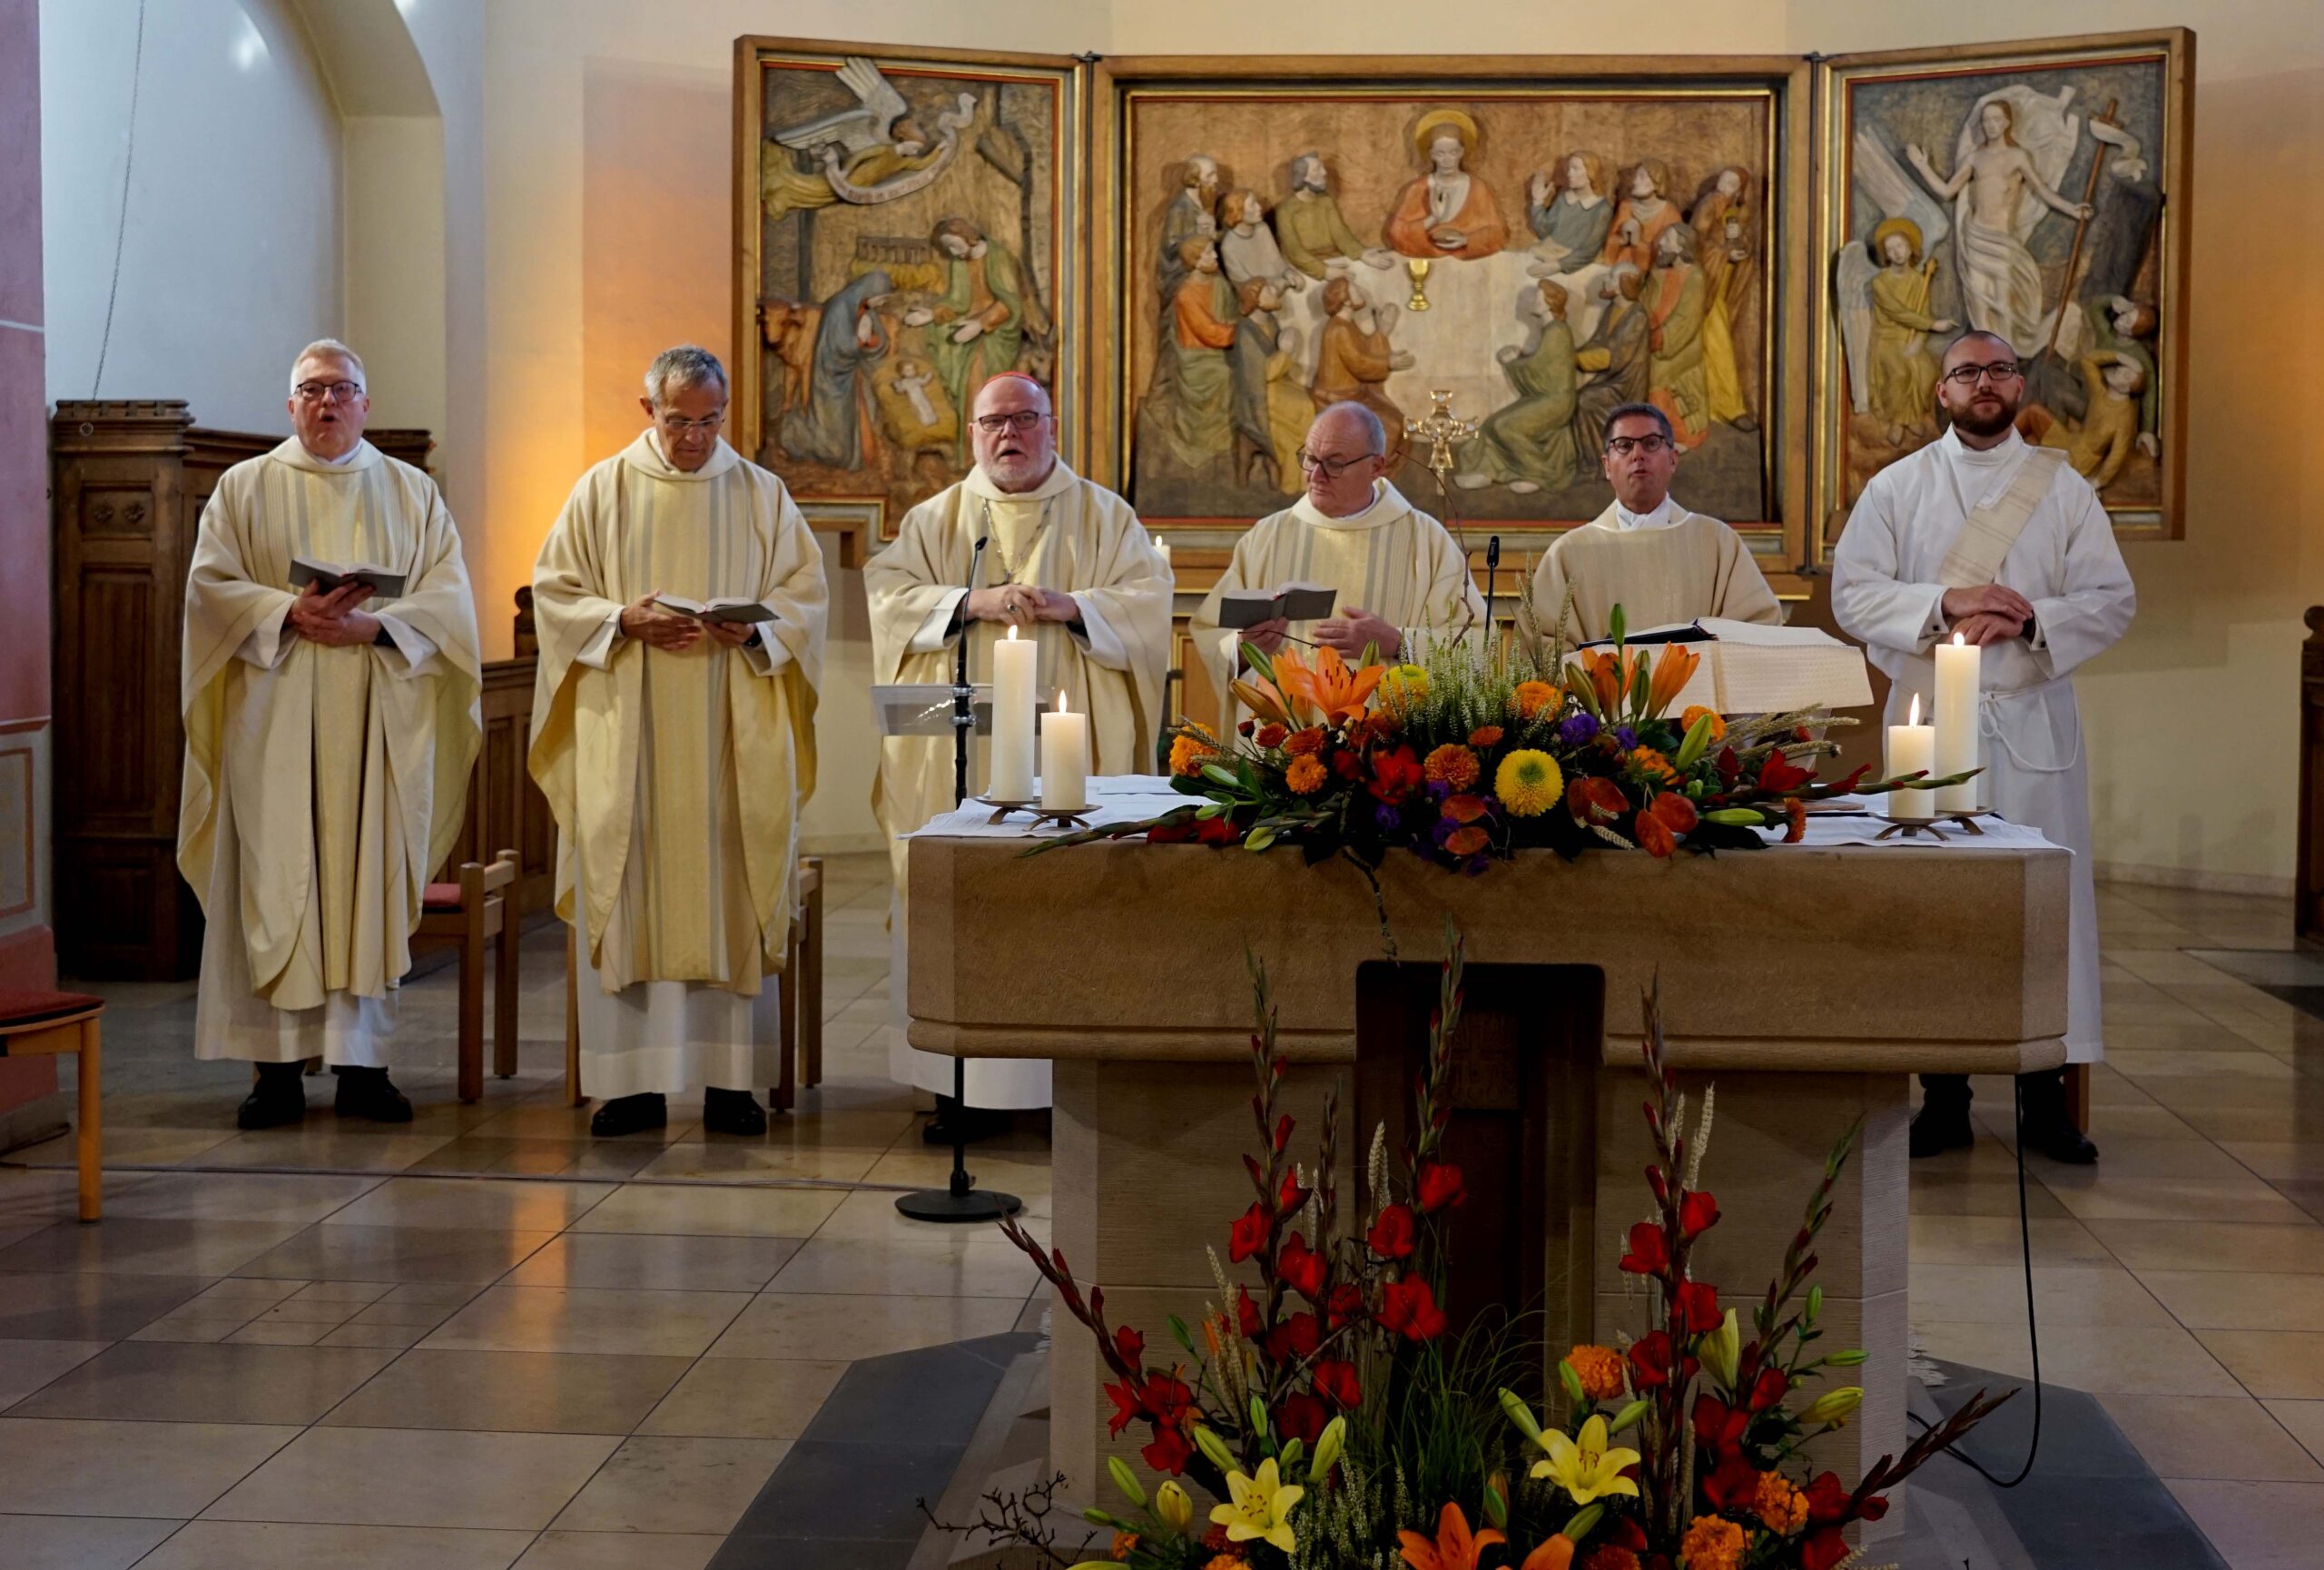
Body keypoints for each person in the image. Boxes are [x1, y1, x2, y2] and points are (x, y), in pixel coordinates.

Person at [1832, 331, 2135, 1164]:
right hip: (1934, 715)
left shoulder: (2063, 489)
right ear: (1942, 392)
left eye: (2000, 370)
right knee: (1933, 903)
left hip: (2032, 715)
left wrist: (2032, 616)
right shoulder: (1897, 487)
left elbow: (2112, 596)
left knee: (2044, 906)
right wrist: (1947, 600)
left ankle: (2046, 1102)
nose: (1985, 383)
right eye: (1967, 372)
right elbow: (1852, 591)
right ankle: (1944, 1098)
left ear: (2018, 383)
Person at [179, 340, 481, 1129]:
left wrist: (374, 628)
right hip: (272, 727)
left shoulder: (412, 493)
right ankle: (273, 1071)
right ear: (290, 406)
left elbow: (450, 602)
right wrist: (288, 612)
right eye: (311, 390)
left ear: (365, 404)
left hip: (376, 727)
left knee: (364, 882)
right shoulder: (243, 489)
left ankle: (363, 1068)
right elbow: (209, 590)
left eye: (342, 389)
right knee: (274, 880)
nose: (327, 403)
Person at [530, 346, 828, 1138]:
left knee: (731, 886)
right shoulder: (601, 490)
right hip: (629, 730)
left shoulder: (761, 494)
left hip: (733, 729)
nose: (695, 438)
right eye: (678, 421)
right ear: (647, 411)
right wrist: (622, 620)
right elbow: (555, 592)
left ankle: (733, 1082)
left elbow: (805, 596)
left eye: (708, 422)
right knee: (630, 888)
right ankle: (631, 1085)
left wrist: (753, 629)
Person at [867, 373, 1172, 1138]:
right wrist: (972, 602)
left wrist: (1073, 606)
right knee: (961, 897)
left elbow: (1147, 601)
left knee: (1066, 901)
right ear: (972, 432)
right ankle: (956, 1085)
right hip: (960, 752)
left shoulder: (1107, 514)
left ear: (1052, 425)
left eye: (1024, 419)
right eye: (993, 421)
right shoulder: (937, 518)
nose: (1009, 434)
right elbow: (887, 593)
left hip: (1068, 750)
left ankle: (1059, 1081)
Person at [1192, 401, 1485, 723]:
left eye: (1335, 463)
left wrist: (1398, 641)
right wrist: (1245, 648)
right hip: (1283, 747)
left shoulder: (1425, 540)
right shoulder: (1266, 537)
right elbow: (1211, 634)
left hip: (1385, 745)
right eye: (1310, 458)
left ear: (1376, 467)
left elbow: (1475, 642)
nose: (1316, 475)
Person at [1529, 402, 1781, 647]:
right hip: (1599, 692)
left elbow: (1760, 630)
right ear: (1607, 466)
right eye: (1624, 445)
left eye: (1651, 443)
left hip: (1697, 690)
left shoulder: (1718, 543)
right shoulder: (1568, 552)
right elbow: (1542, 651)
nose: (1637, 454)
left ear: (1673, 459)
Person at [1456, 280, 1581, 495]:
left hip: (1556, 401)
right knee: (1491, 423)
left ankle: (1540, 473)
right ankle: (1487, 471)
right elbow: (1542, 364)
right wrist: (1521, 357)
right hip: (1542, 397)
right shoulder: (1550, 330)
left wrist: (1513, 362)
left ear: (1549, 303)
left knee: (1507, 426)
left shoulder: (1558, 332)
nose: (1533, 300)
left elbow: (1542, 371)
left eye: (1538, 296)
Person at [1383, 113, 1509, 261]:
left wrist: (1467, 240)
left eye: (1453, 152)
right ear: (1431, 155)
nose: (1447, 160)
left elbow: (1497, 233)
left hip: (1468, 266)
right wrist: (1433, 219)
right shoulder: (1417, 188)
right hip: (1426, 260)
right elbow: (1396, 234)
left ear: (1462, 152)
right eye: (1440, 154)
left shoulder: (1478, 188)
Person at [1275, 152, 1395, 281]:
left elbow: (1340, 234)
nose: (1324, 173)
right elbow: (1294, 251)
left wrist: (1362, 254)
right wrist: (1325, 271)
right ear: (1304, 177)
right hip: (1307, 267)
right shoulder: (1286, 210)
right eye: (1317, 169)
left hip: (1334, 259)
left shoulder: (1325, 201)